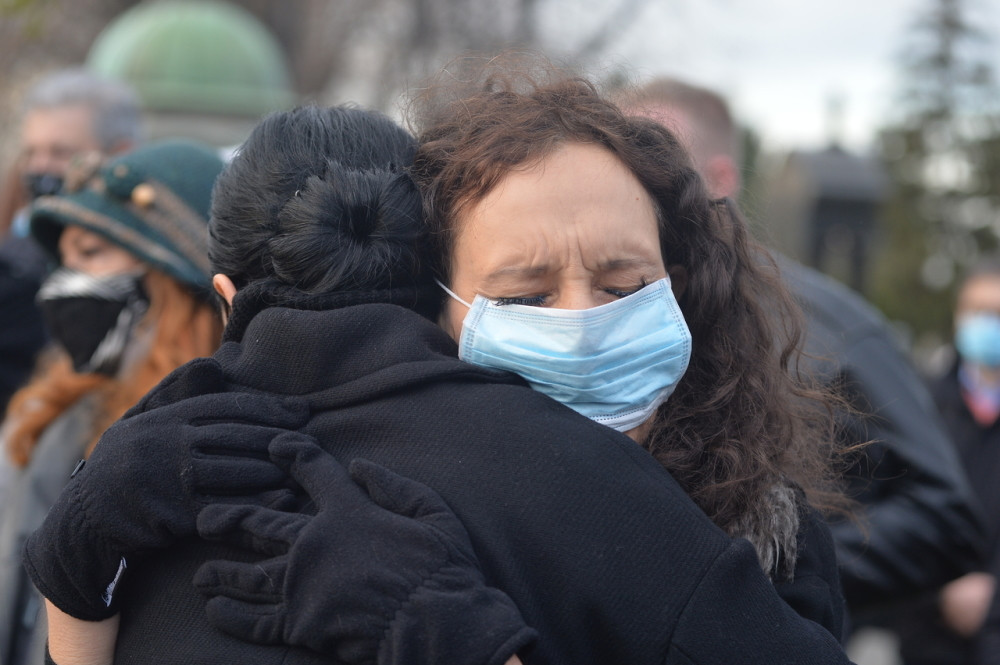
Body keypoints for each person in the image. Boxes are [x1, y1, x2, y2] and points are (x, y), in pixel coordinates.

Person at [28, 86, 852, 663]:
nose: (578, 324)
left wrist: (452, 637)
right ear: (435, 302)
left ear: (683, 284)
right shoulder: (230, 464)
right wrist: (81, 542)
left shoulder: (765, 534)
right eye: (525, 293)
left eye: (622, 283)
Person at [623, 76, 984, 616]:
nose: (627, 185)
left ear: (720, 179)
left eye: (654, 164)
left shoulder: (832, 329)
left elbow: (946, 517)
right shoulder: (599, 315)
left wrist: (779, 568)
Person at [0, 140, 224, 665]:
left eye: (91, 254)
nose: (65, 281)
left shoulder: (192, 433)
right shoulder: (60, 398)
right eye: (64, 259)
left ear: (170, 274)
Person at [0, 68, 143, 415]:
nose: (40, 167)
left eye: (60, 153)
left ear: (120, 154)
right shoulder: (14, 266)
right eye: (31, 153)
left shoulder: (149, 269)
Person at [893, 258, 1000, 665]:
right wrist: (940, 591)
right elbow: (896, 507)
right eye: (978, 311)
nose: (988, 325)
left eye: (997, 313)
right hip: (928, 635)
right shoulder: (920, 407)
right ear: (958, 315)